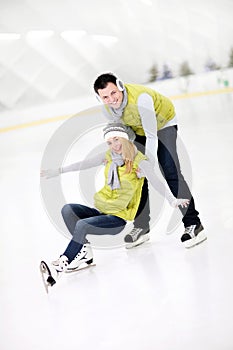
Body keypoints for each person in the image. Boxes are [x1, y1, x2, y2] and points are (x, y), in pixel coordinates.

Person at [40, 123, 189, 287]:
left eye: (116, 140)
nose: (114, 145)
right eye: (109, 142)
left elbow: (157, 182)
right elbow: (85, 163)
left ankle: (61, 266)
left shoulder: (139, 162)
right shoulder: (109, 156)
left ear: (125, 139)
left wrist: (173, 200)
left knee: (82, 225)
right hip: (102, 210)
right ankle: (84, 253)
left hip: (117, 218)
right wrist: (58, 171)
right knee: (68, 210)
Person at [93, 73, 207, 249]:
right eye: (105, 97)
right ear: (99, 97)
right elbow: (124, 132)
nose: (111, 99)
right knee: (135, 174)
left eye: (113, 93)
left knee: (170, 170)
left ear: (120, 86)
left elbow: (152, 135)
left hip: (163, 124)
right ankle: (141, 227)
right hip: (137, 129)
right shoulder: (106, 109)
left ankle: (194, 224)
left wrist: (149, 163)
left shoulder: (141, 99)